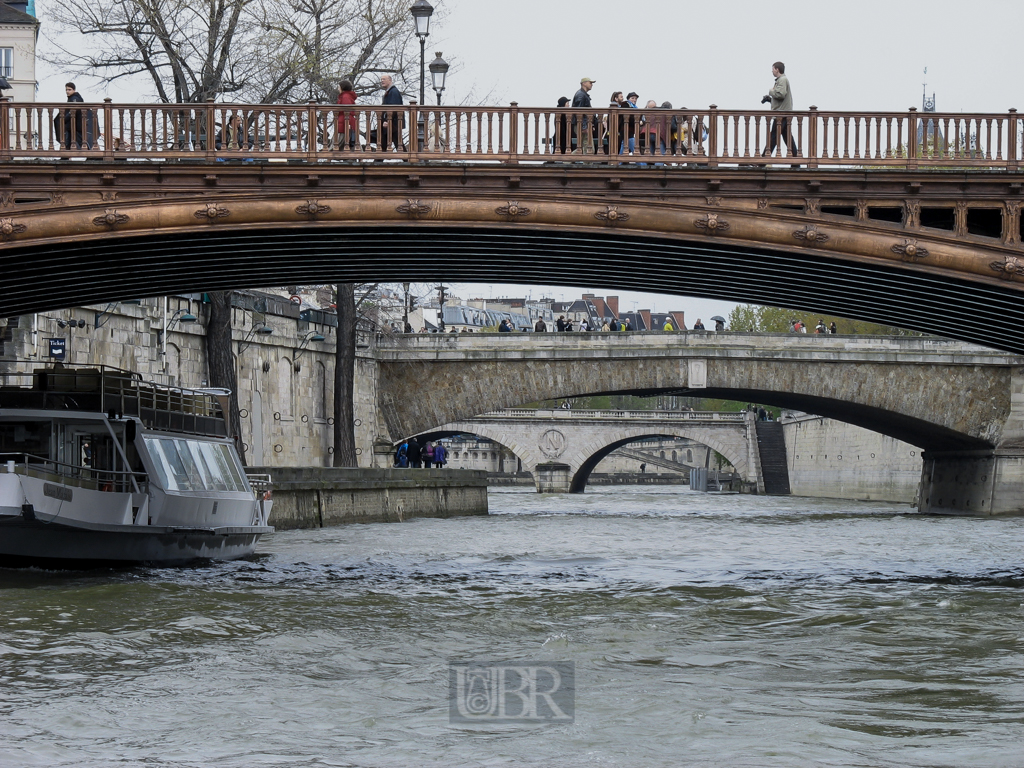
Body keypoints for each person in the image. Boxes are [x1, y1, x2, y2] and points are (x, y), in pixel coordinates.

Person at [762, 61, 800, 160]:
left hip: (782, 115)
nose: (772, 71)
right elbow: (780, 100)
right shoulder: (782, 80)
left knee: (773, 136)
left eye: (773, 69)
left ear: (777, 69)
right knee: (787, 138)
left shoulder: (782, 79)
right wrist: (770, 100)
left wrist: (770, 91)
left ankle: (762, 160)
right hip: (784, 113)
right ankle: (796, 161)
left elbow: (781, 94)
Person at [56, 82, 93, 150]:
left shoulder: (75, 98)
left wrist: (64, 118)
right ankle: (65, 157)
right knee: (69, 141)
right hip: (72, 125)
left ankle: (91, 155)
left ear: (74, 90)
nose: (67, 91)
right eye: (66, 90)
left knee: (81, 141)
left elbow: (73, 110)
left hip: (77, 125)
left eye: (69, 90)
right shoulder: (72, 98)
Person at [379, 75, 404, 152]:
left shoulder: (393, 92)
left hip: (393, 123)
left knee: (397, 143)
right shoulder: (390, 92)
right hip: (393, 122)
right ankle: (378, 162)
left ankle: (407, 161)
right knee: (390, 143)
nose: (382, 81)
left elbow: (393, 107)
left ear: (390, 80)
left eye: (384, 79)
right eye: (381, 79)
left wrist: (387, 120)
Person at [571, 77, 595, 154]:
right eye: (590, 83)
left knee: (581, 148)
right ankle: (587, 165)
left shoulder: (582, 94)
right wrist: (584, 127)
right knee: (589, 148)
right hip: (582, 125)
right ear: (584, 83)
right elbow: (579, 112)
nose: (591, 85)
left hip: (582, 124)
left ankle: (567, 161)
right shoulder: (581, 95)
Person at [337, 80, 359, 150]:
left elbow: (347, 111)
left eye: (339, 87)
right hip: (345, 121)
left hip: (344, 122)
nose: (338, 89)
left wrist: (348, 123)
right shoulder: (346, 96)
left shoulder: (345, 97)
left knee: (338, 142)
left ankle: (328, 158)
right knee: (353, 142)